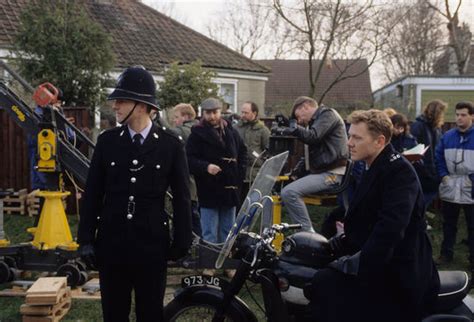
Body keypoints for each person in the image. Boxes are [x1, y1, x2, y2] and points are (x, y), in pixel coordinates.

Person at [77, 66, 192, 322]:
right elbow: (93, 193)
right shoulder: (108, 141)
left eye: (121, 100)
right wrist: (85, 238)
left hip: (151, 245)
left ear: (141, 105)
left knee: (150, 313)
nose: (115, 106)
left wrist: (182, 240)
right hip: (112, 243)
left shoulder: (170, 144)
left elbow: (183, 196)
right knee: (114, 313)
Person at [308, 109, 440, 322]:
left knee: (326, 285)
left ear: (379, 141)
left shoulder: (399, 172)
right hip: (380, 261)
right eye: (350, 135)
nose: (349, 142)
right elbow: (363, 214)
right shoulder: (373, 165)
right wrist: (332, 244)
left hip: (399, 271)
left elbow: (390, 229)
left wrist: (354, 265)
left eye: (356, 137)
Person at [186, 97, 247, 276]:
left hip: (230, 189)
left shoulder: (231, 131)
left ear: (221, 112)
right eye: (208, 113)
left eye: (215, 112)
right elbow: (188, 159)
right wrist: (206, 167)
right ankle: (210, 264)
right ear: (202, 113)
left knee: (228, 230)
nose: (212, 116)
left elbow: (242, 153)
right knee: (210, 231)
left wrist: (238, 174)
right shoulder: (196, 134)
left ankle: (227, 263)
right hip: (209, 188)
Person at [274, 96, 348, 232]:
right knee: (286, 191)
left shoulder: (328, 114)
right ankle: (303, 233)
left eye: (298, 116)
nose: (299, 121)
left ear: (306, 107)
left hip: (333, 173)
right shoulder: (316, 123)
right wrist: (294, 174)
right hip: (324, 172)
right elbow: (307, 156)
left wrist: (293, 127)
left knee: (289, 192)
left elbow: (313, 137)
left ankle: (308, 235)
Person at [435, 101, 474, 268]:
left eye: (463, 115)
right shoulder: (447, 136)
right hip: (450, 186)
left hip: (471, 189)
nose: (459, 118)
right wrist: (443, 175)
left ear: (472, 116)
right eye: (457, 114)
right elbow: (438, 157)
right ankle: (446, 255)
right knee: (448, 225)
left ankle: (473, 259)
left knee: (473, 227)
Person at [171, 103, 201, 237]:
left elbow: (168, 133)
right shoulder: (200, 128)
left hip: (189, 182)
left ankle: (193, 247)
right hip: (198, 182)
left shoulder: (185, 131)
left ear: (186, 117)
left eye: (176, 117)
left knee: (190, 217)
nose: (174, 120)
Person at [411, 99, 447, 209]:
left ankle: (420, 221)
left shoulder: (437, 129)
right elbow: (413, 149)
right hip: (422, 171)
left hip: (433, 171)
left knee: (425, 200)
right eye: (441, 113)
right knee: (419, 201)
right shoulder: (419, 126)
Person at [233, 101, 270, 186]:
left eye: (246, 113)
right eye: (242, 112)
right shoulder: (235, 129)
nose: (243, 115)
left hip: (256, 175)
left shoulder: (263, 130)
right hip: (238, 173)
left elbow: (269, 152)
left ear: (254, 113)